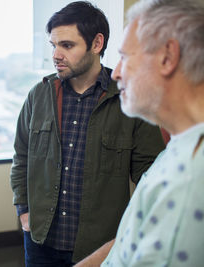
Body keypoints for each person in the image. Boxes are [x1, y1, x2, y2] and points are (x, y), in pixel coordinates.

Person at [10, 1, 166, 266]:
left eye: (67, 46)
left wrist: (136, 229)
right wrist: (24, 212)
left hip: (99, 246)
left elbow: (151, 174)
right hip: (41, 240)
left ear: (96, 44)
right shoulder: (39, 95)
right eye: (54, 45)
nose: (56, 54)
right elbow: (21, 157)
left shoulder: (128, 100)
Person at [74, 0, 204, 266]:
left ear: (167, 57)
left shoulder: (191, 179)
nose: (116, 74)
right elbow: (130, 237)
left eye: (125, 57)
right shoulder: (178, 149)